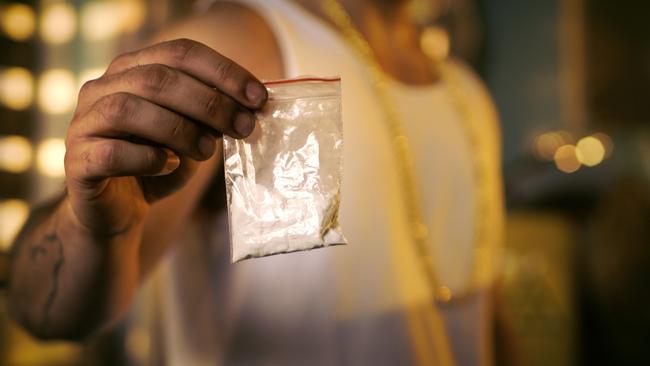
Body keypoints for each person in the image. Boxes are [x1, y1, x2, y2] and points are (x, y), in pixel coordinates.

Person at [8, 0, 504, 364]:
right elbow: (45, 312)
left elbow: (483, 309)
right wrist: (92, 225)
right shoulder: (244, 42)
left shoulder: (467, 93)